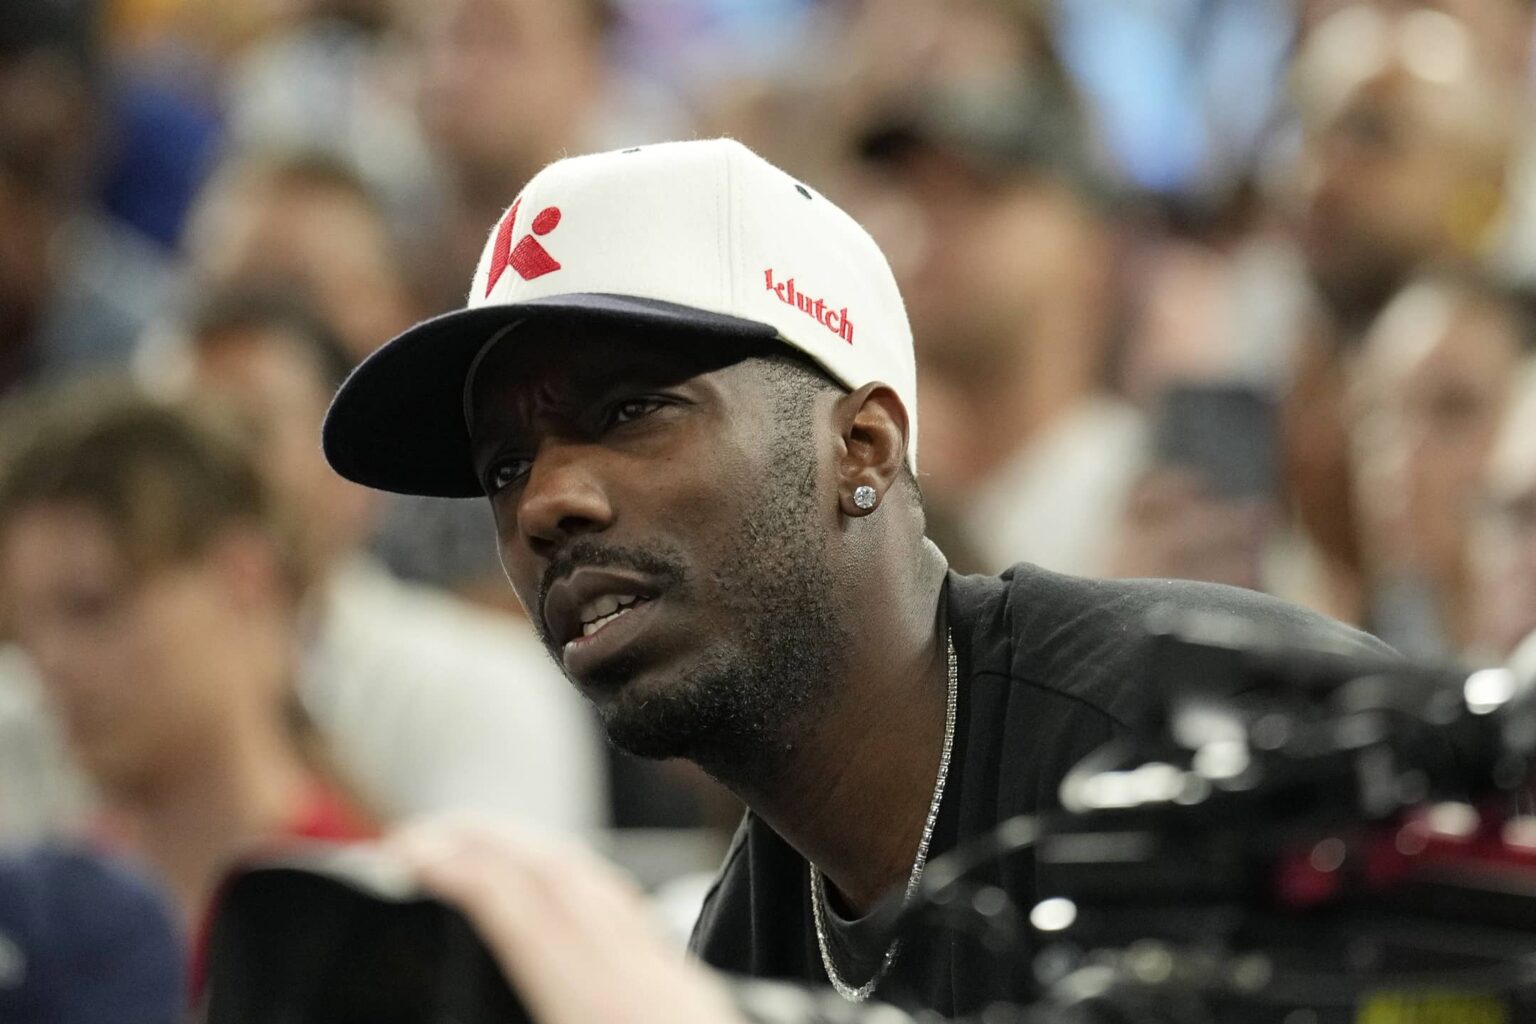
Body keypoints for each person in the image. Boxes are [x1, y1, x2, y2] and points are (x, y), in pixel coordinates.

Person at [320, 138, 1389, 1017]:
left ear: (863, 447)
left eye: (627, 411)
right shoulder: (744, 939)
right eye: (503, 465)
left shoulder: (1196, 732)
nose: (545, 504)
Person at [141, 288, 605, 835]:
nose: (207, 480)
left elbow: (505, 917)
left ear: (350, 478)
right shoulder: (51, 698)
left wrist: (271, 720)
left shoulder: (485, 682)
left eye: (248, 431)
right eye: (174, 449)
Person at [0, 382, 376, 932]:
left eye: (91, 605)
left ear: (243, 578)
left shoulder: (375, 911)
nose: (51, 662)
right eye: (26, 627)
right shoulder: (39, 927)